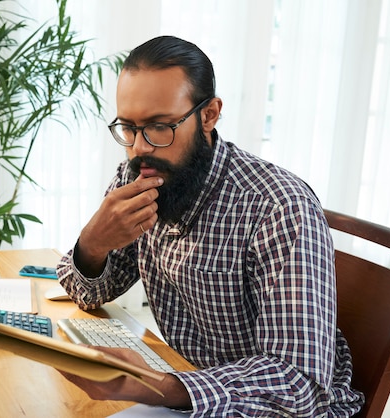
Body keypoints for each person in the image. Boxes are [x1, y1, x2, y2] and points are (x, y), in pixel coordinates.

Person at [56, 35, 364, 417]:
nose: (139, 149)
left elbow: (297, 383)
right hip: (202, 390)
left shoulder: (278, 207)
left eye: (159, 127)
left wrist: (161, 386)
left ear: (209, 115)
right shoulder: (140, 176)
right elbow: (89, 295)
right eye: (129, 128)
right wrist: (93, 243)